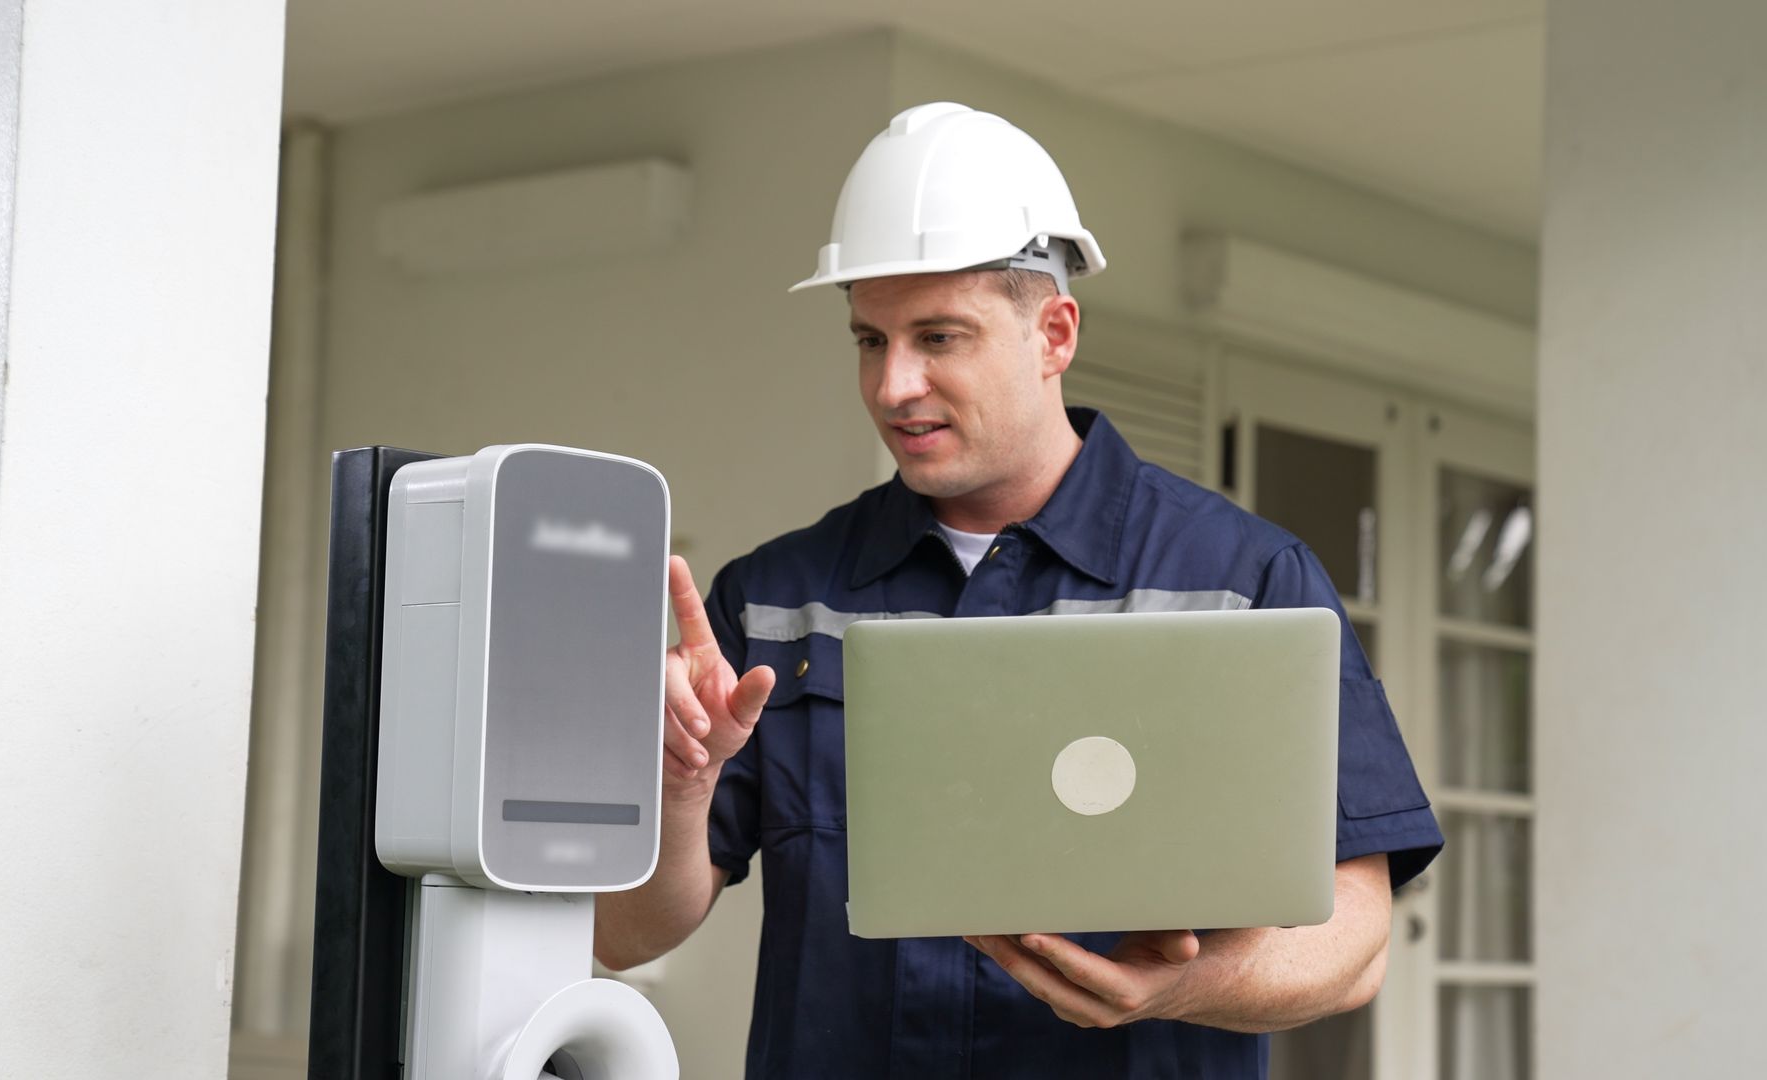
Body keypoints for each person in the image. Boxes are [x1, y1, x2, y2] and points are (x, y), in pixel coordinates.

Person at [593, 102, 1443, 1078]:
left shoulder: (1242, 583)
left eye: (939, 338)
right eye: (870, 340)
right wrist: (680, 789)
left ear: (1054, 332)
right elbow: (625, 937)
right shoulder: (781, 598)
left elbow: (1355, 939)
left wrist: (1179, 992)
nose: (893, 385)